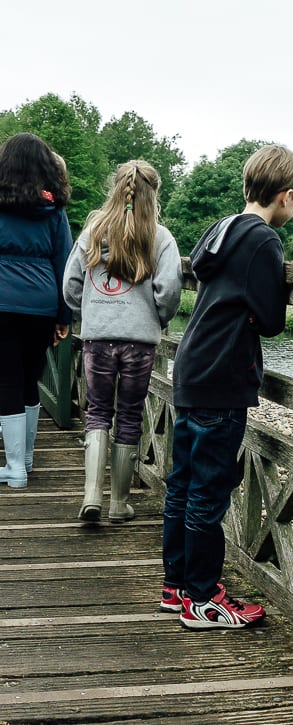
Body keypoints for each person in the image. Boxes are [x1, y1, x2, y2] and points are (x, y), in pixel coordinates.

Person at [162, 144, 293, 629]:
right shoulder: (263, 240)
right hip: (223, 374)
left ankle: (178, 585)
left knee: (182, 482)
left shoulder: (221, 229)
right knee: (210, 488)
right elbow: (270, 320)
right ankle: (203, 600)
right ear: (285, 196)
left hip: (192, 365)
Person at [63, 160, 183, 522]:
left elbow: (71, 284)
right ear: (154, 194)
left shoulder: (92, 231)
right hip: (139, 343)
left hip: (98, 340)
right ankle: (118, 503)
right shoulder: (160, 237)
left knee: (97, 412)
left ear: (115, 188)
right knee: (129, 416)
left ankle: (90, 497)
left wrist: (88, 313)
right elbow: (170, 290)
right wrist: (156, 318)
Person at [0, 133, 73, 489]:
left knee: (7, 381)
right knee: (30, 379)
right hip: (42, 304)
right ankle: (26, 459)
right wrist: (64, 316)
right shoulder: (55, 210)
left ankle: (15, 469)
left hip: (2, 303)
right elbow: (66, 264)